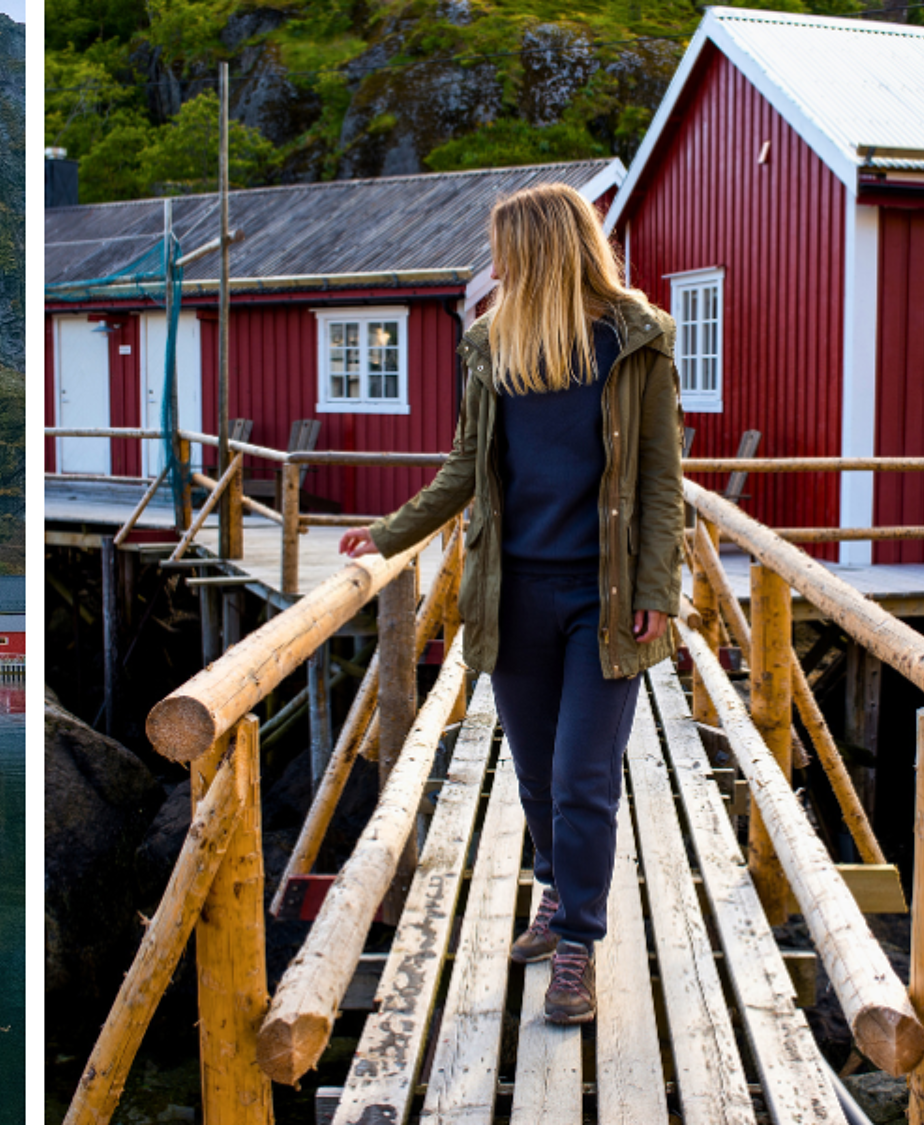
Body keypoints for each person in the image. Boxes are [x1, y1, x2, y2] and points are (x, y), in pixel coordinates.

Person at [337, 182, 684, 1025]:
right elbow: (464, 467)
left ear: (540, 251)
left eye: (503, 252)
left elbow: (661, 478)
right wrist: (387, 534)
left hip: (604, 598)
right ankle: (556, 888)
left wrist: (656, 589)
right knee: (534, 774)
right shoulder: (492, 345)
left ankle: (577, 944)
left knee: (581, 776)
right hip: (513, 592)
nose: (493, 268)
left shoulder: (637, 341)